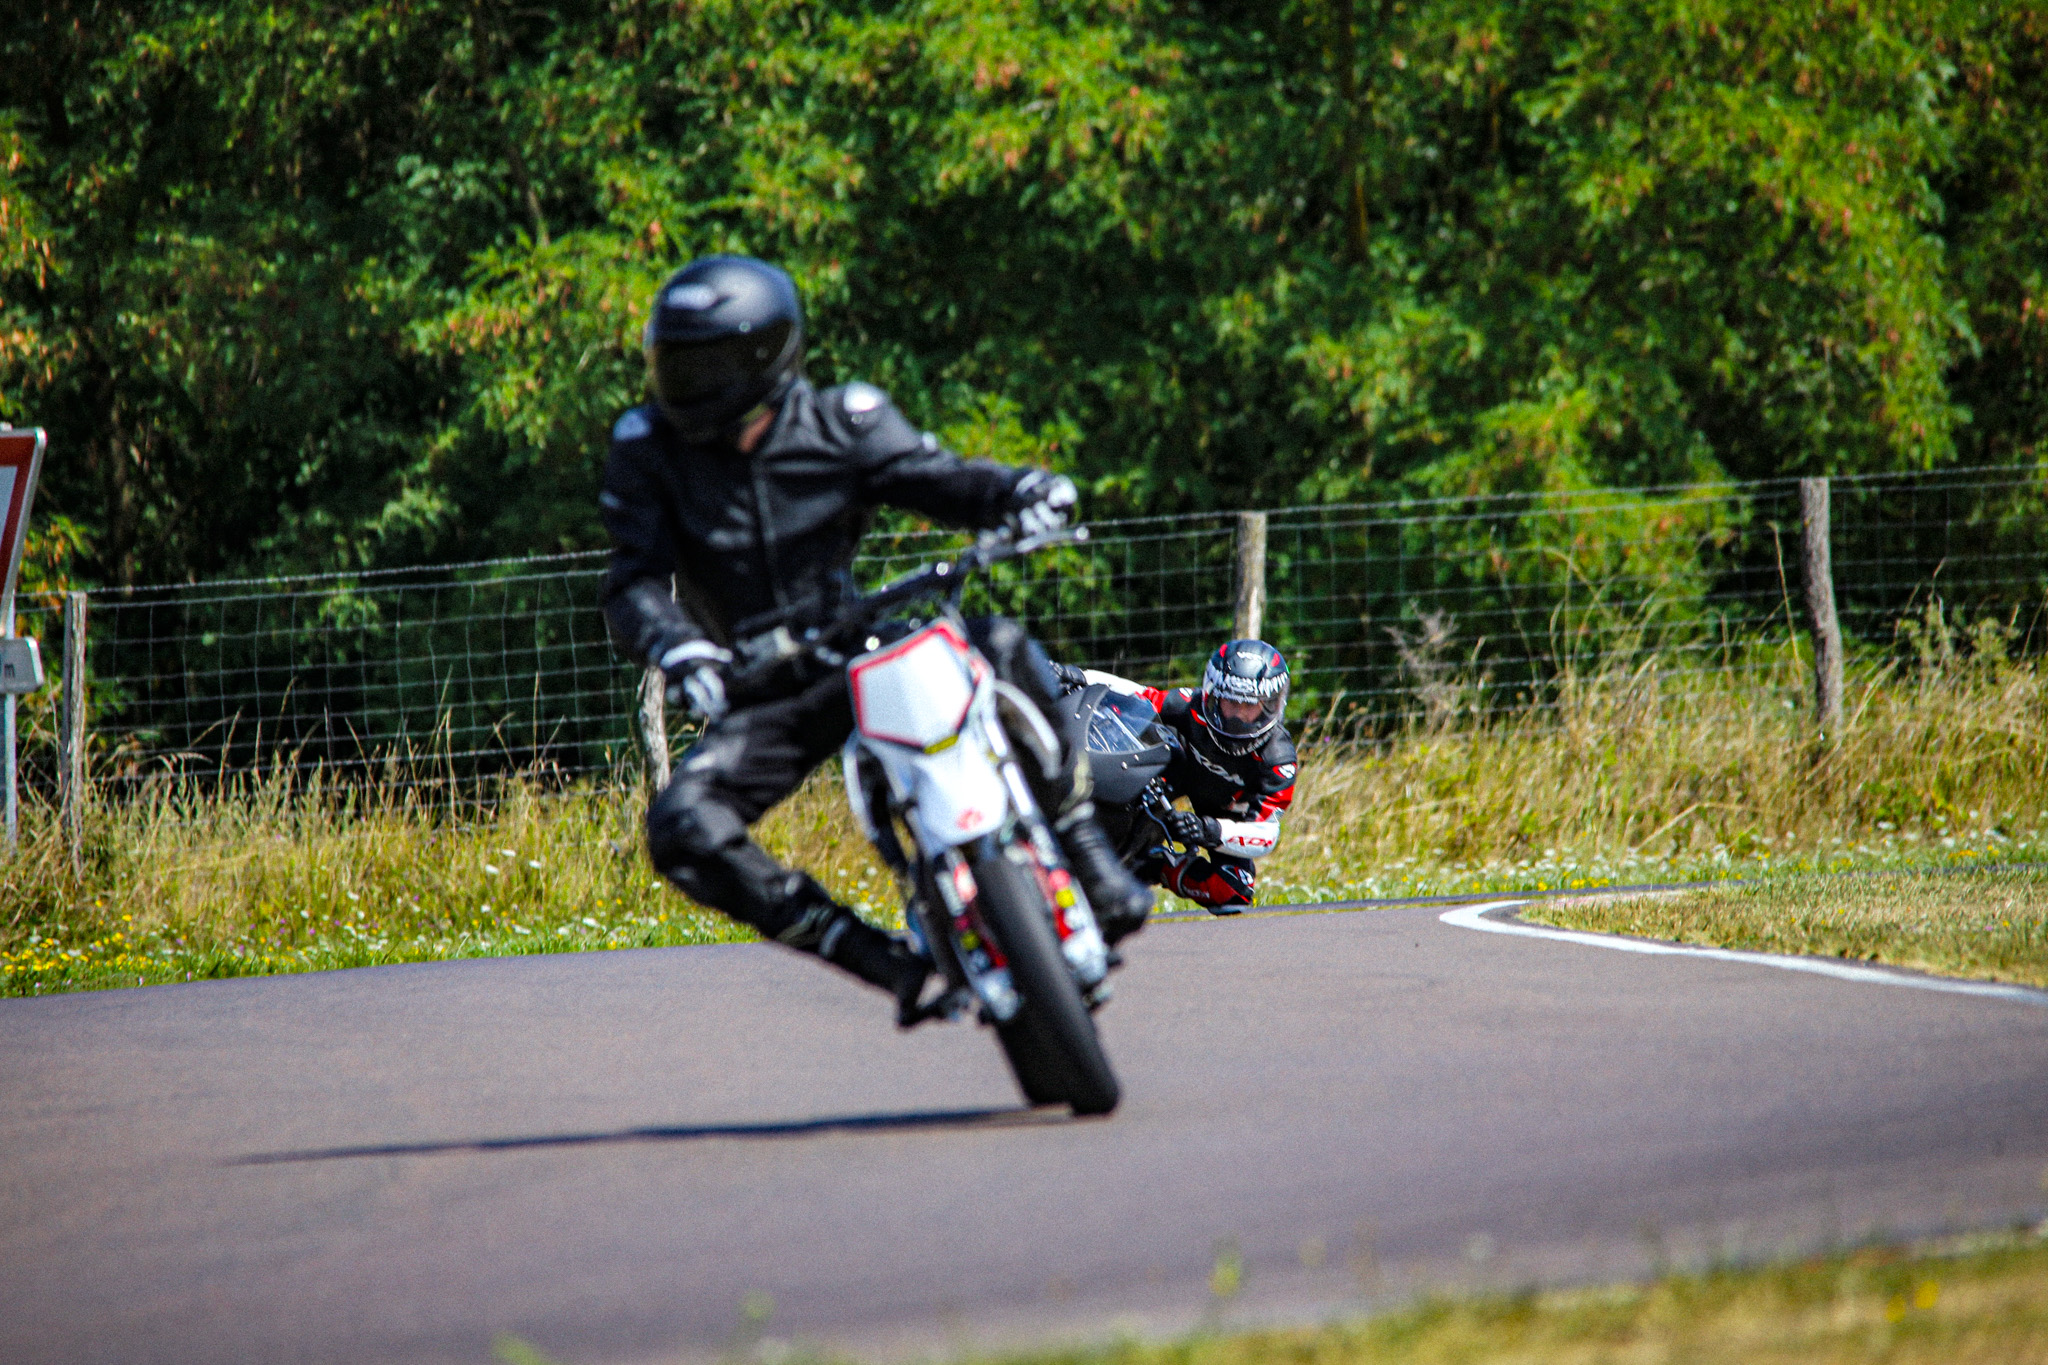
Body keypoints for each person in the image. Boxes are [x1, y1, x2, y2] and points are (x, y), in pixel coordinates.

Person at [599, 255, 1153, 1024]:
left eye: (711, 365)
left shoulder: (844, 420)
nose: (692, 385)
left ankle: (1083, 847)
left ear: (768, 354)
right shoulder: (647, 451)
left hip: (859, 650)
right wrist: (682, 649)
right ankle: (875, 958)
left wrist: (1022, 489)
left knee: (999, 643)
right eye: (678, 364)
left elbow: (941, 477)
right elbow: (632, 581)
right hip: (759, 686)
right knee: (681, 825)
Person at [1053, 640, 1296, 913]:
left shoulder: (1279, 759)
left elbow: (1266, 833)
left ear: (1270, 705)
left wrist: (1209, 830)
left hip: (1222, 812)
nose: (1238, 715)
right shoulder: (1191, 706)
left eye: (1249, 705)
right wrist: (1078, 675)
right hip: (1171, 776)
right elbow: (1141, 693)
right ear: (1215, 696)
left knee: (1231, 892)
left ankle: (1149, 864)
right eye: (1231, 702)